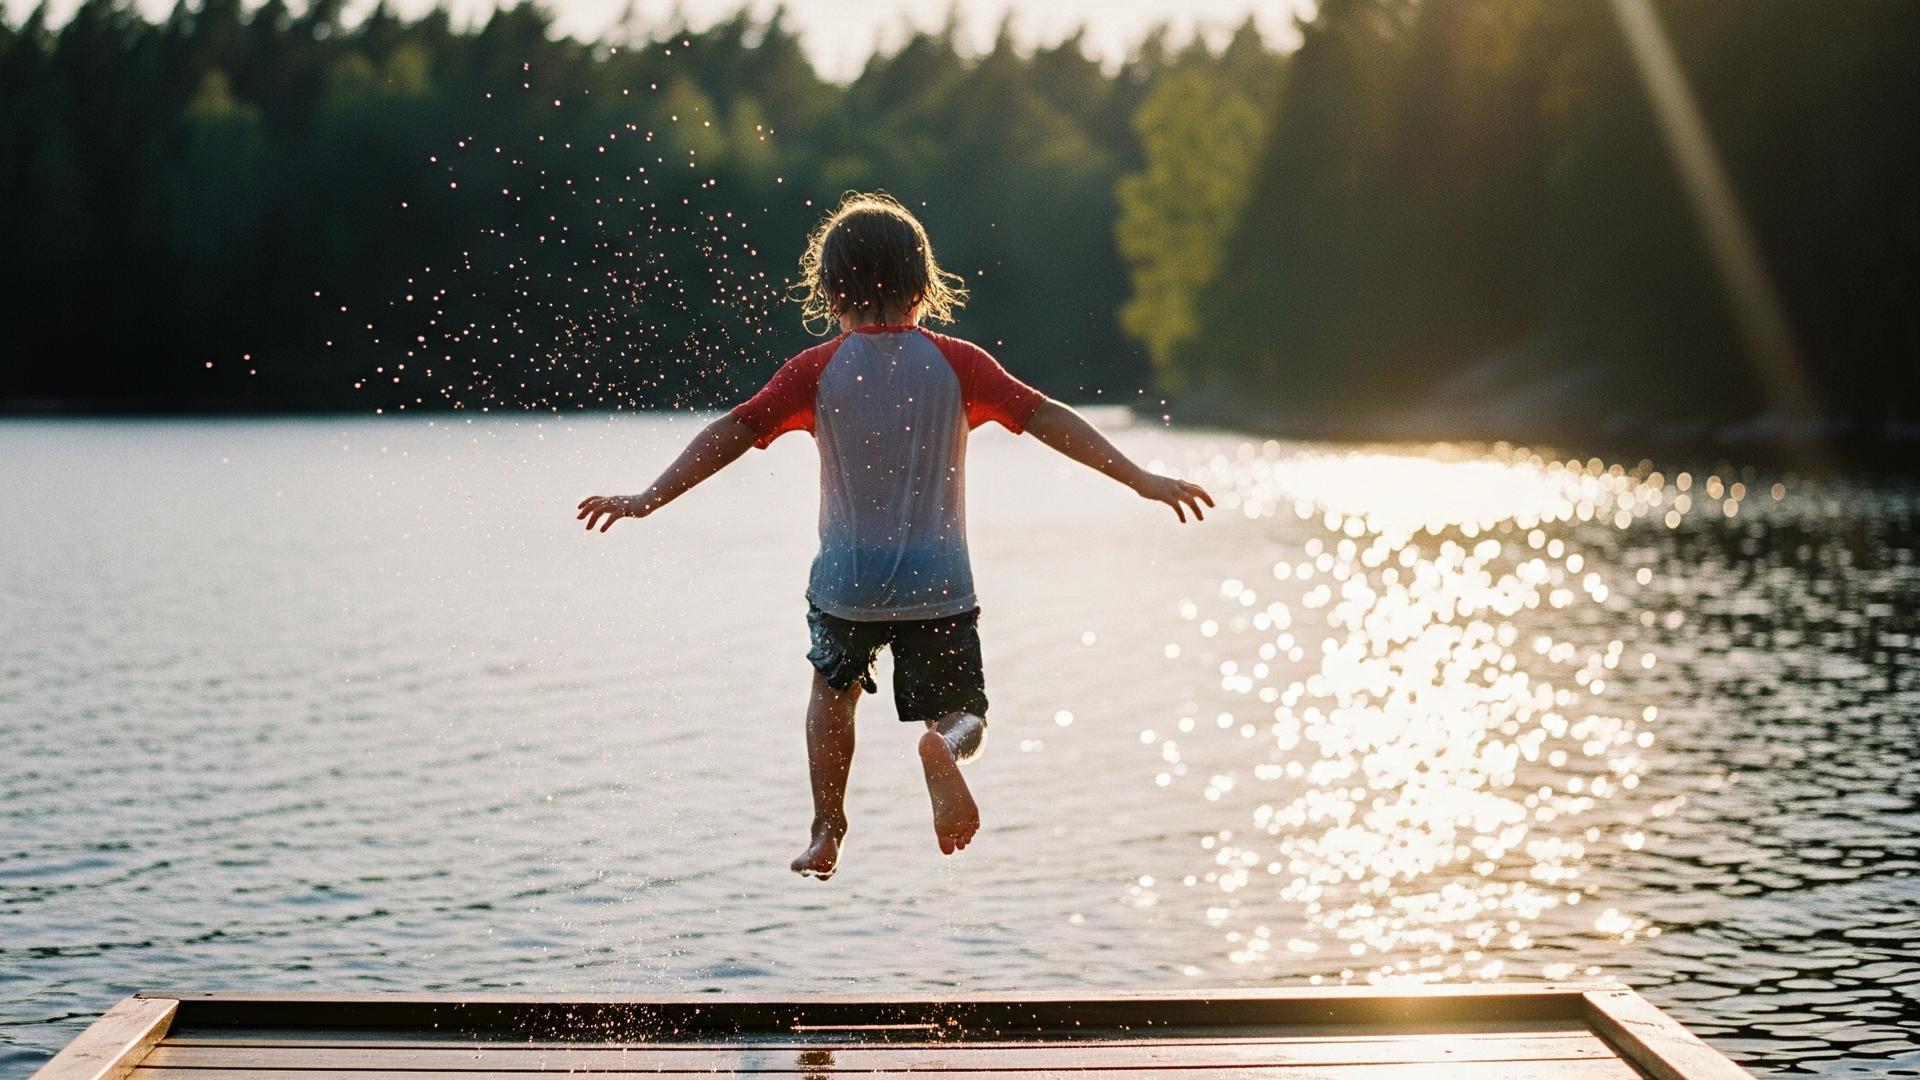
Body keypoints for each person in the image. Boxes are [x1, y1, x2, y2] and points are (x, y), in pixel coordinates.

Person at [576, 192, 1212, 880]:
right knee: (965, 711)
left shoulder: (815, 371)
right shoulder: (957, 363)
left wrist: (648, 498)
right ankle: (944, 745)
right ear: (923, 285)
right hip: (936, 581)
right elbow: (1048, 417)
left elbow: (730, 432)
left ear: (829, 289)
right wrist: (1140, 477)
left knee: (831, 693)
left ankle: (827, 830)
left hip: (847, 582)